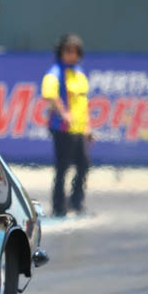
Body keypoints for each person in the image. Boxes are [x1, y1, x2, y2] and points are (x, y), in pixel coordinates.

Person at [42, 33, 91, 217]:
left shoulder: (79, 73)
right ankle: (58, 206)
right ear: (61, 52)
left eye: (75, 51)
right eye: (67, 51)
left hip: (79, 128)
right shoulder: (55, 72)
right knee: (62, 168)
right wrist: (63, 114)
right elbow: (50, 94)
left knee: (84, 165)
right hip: (62, 128)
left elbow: (84, 103)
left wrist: (87, 127)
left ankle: (76, 202)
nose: (71, 55)